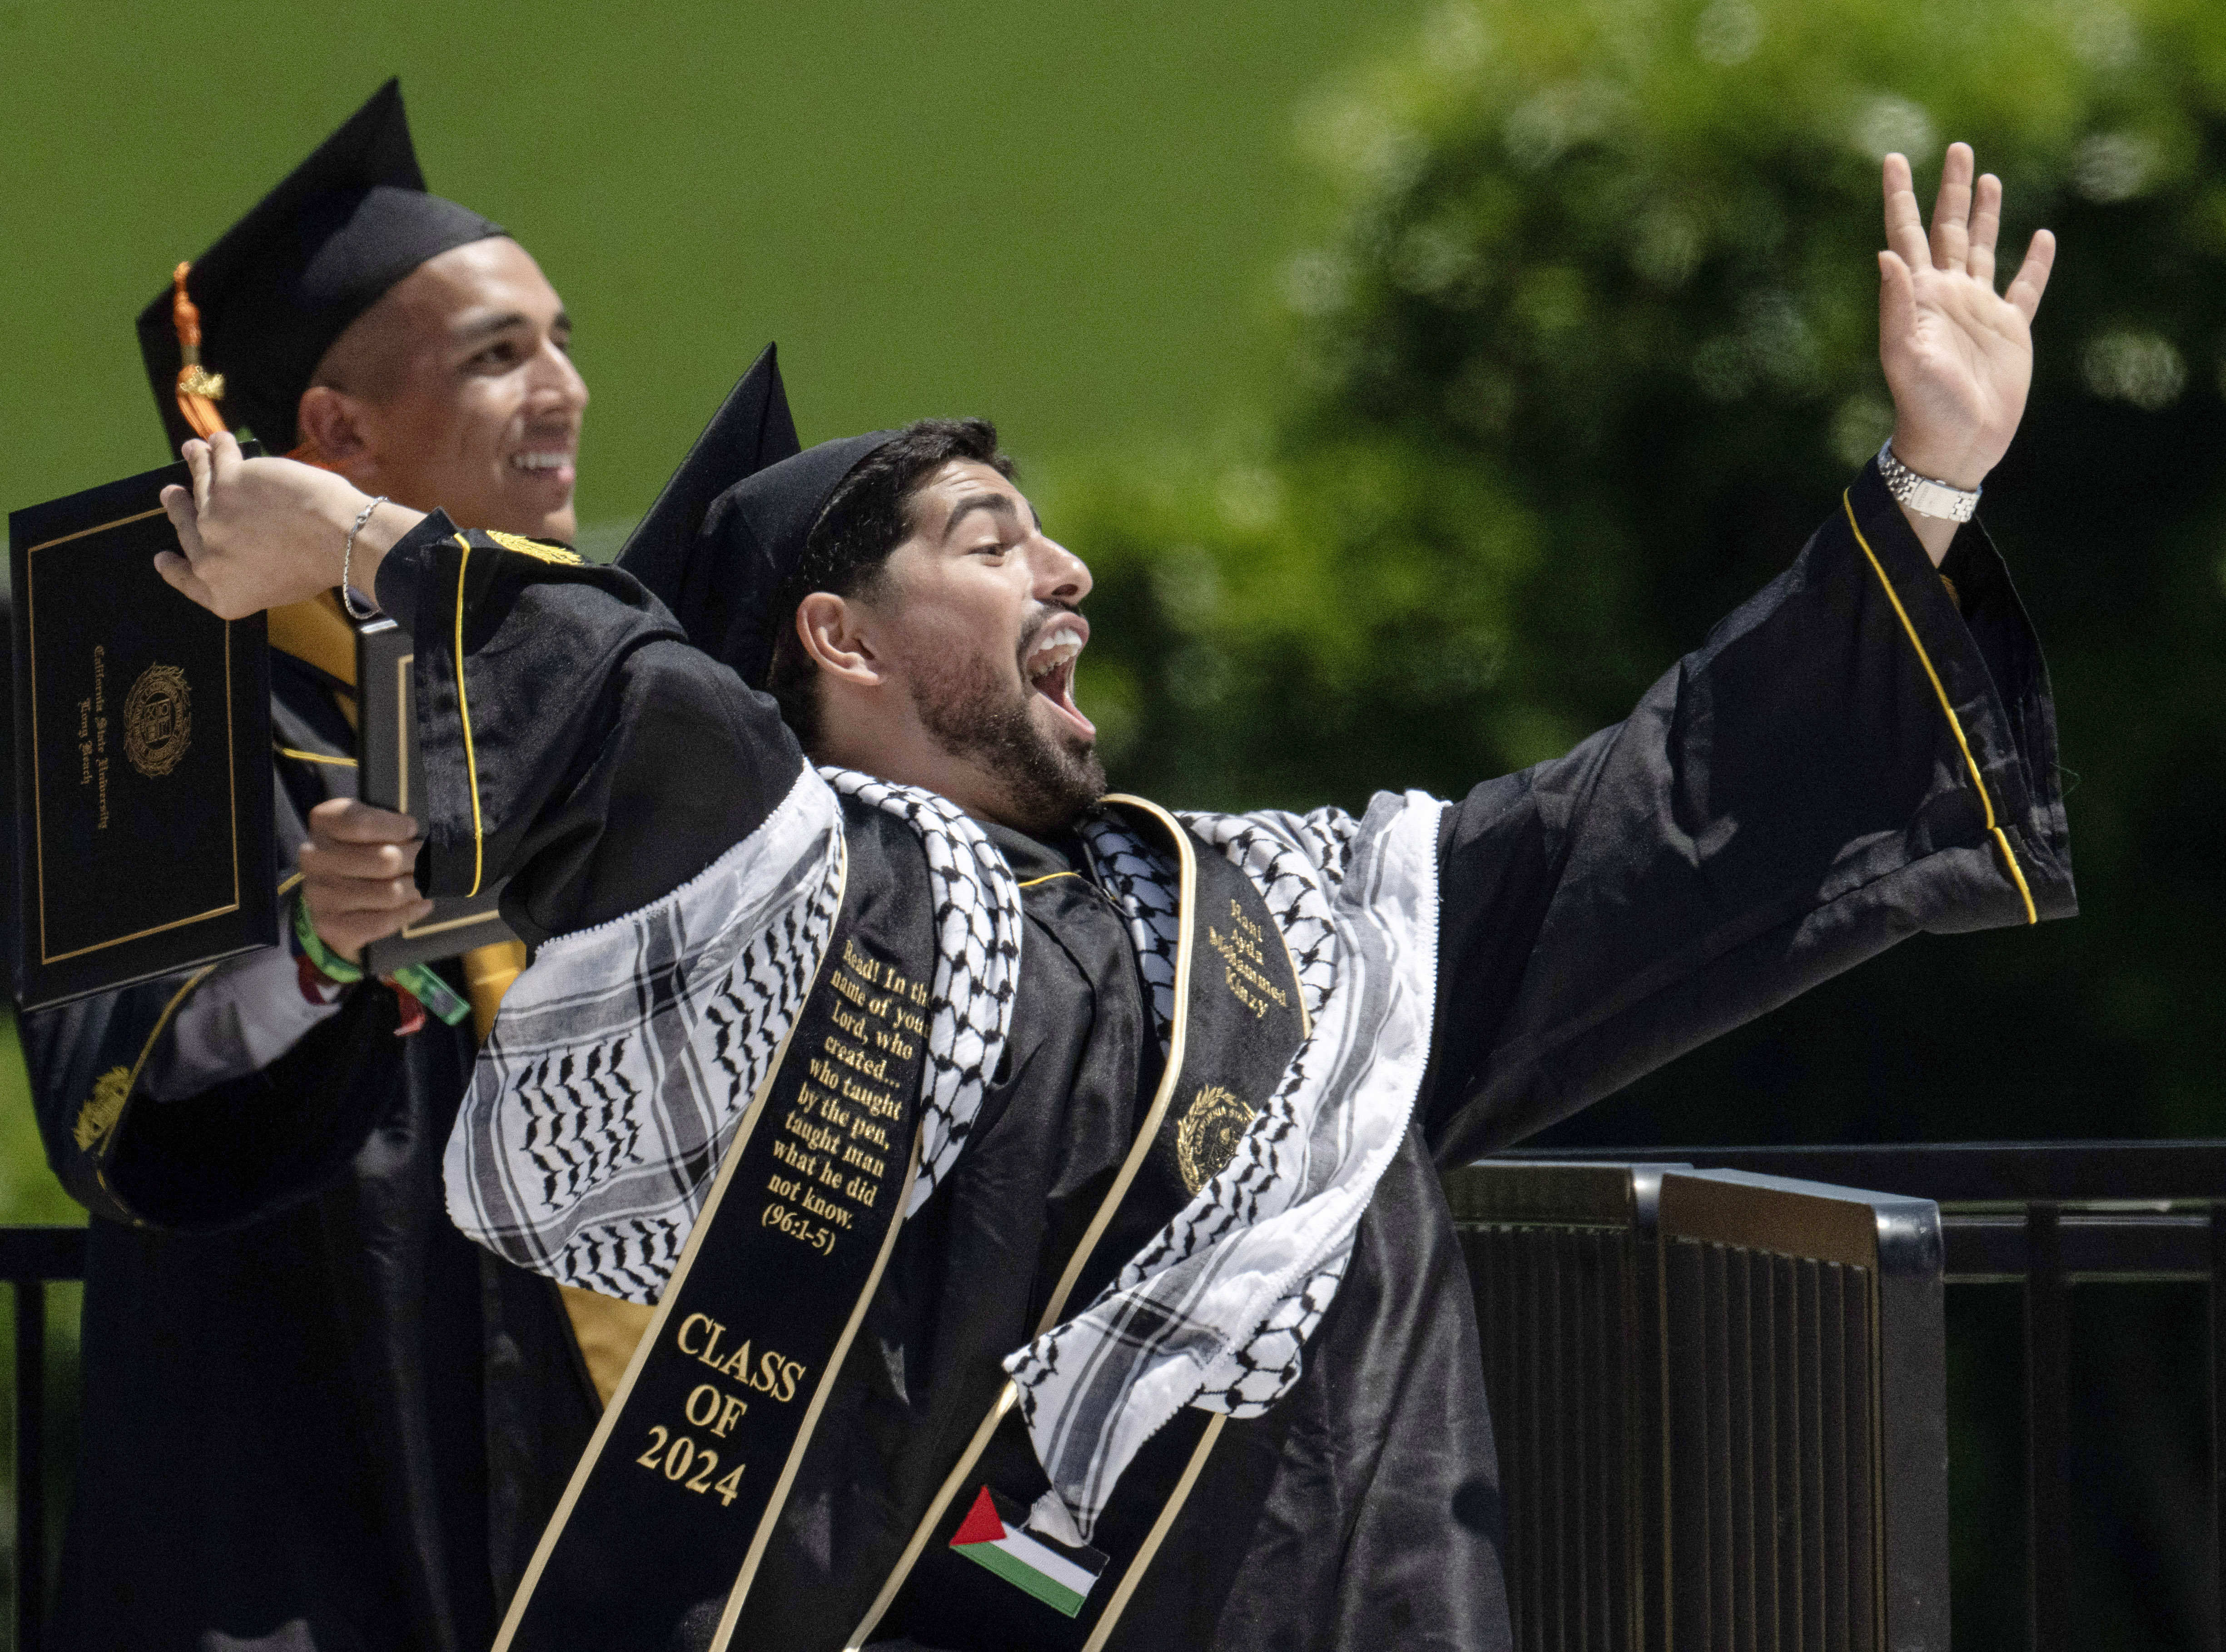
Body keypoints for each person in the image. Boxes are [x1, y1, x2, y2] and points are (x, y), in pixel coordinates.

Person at [154, 144, 2071, 1650]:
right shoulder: (780, 931)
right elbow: (647, 718)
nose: (1067, 570)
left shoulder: (1317, 923)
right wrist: (349, 533)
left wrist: (1929, 483)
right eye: (991, 539)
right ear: (839, 639)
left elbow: (1665, 805)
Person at [19, 80, 601, 1652]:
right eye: (498, 356)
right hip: (281, 1472)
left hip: (552, 1480)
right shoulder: (155, 688)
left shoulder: (569, 685)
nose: (564, 390)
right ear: (337, 433)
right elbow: (124, 1089)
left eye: (558, 341)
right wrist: (311, 954)